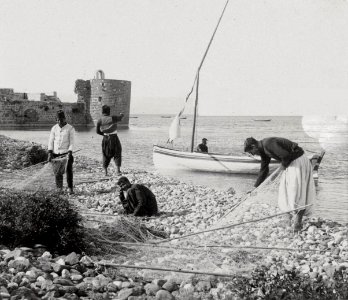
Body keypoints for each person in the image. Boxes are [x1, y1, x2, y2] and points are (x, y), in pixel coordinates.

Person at [244, 137, 316, 232]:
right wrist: (255, 188)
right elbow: (264, 169)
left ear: (254, 146)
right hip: (290, 163)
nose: (253, 154)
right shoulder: (263, 151)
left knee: (296, 191)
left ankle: (298, 223)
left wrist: (280, 170)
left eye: (252, 152)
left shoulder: (268, 143)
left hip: (298, 161)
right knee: (284, 191)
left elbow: (286, 155)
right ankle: (287, 219)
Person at [48, 110, 76, 194]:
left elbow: (72, 142)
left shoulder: (70, 128)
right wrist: (50, 152)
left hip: (66, 153)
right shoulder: (54, 128)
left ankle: (70, 188)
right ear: (56, 120)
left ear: (64, 118)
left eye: (61, 119)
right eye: (57, 120)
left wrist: (70, 152)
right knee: (57, 172)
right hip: (56, 153)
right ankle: (59, 189)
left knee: (68, 171)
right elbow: (51, 141)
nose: (59, 121)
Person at [96, 105, 124, 176]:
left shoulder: (100, 120)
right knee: (117, 152)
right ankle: (118, 171)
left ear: (102, 112)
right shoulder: (113, 118)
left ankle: (105, 172)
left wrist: (104, 134)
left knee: (105, 154)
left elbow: (97, 131)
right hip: (114, 138)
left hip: (105, 139)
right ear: (109, 111)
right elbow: (120, 118)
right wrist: (121, 114)